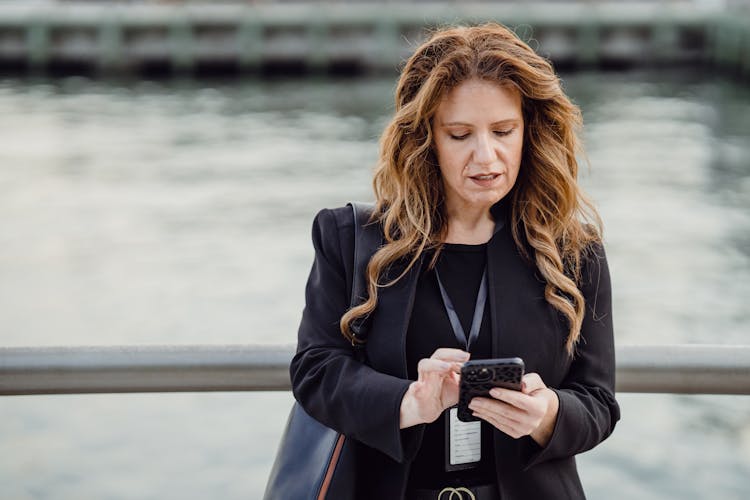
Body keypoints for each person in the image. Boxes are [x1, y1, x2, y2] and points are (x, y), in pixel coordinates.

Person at [291, 23, 620, 500]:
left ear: (530, 131)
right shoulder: (350, 238)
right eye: (460, 134)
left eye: (504, 131)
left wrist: (548, 414)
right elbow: (315, 370)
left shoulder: (574, 249)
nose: (486, 155)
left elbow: (599, 402)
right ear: (426, 138)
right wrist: (409, 401)